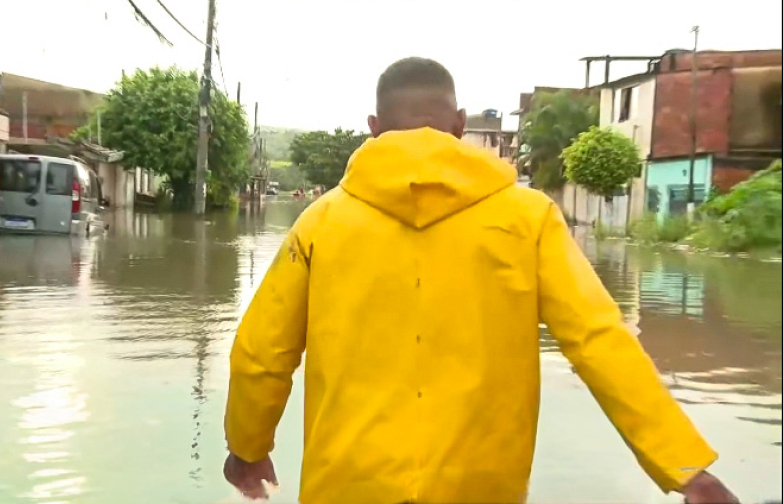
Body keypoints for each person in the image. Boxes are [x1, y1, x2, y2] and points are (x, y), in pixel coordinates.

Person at [223, 57, 739, 504]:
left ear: (374, 127)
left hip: (347, 485)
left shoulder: (321, 222)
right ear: (461, 123)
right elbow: (600, 341)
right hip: (481, 486)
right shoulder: (528, 218)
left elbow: (261, 353)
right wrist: (684, 467)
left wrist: (247, 448)